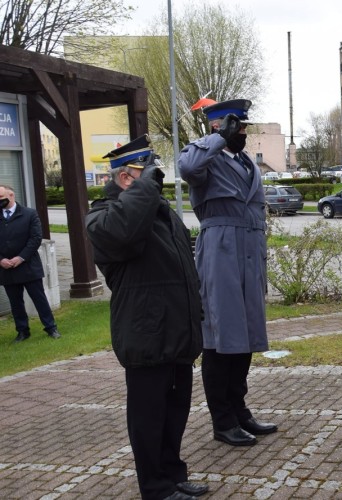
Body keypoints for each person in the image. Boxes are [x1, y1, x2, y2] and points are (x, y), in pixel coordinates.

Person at [85, 135, 208, 500]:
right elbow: (120, 233)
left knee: (174, 413)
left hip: (176, 330)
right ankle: (155, 487)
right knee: (149, 417)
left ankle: (173, 474)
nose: (157, 179)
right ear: (126, 179)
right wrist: (142, 191)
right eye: (148, 172)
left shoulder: (156, 211)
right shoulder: (102, 214)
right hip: (145, 333)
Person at [178, 99, 278, 447]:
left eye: (245, 128)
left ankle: (240, 411)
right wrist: (217, 138)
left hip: (249, 253)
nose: (244, 133)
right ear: (221, 126)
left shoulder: (246, 162)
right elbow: (187, 168)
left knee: (246, 336)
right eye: (239, 127)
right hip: (221, 251)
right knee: (220, 341)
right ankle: (222, 421)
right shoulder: (206, 156)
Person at [0, 184, 60, 342]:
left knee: (38, 298)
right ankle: (22, 331)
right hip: (7, 268)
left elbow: (35, 239)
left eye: (1, 198)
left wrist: (20, 258)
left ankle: (51, 327)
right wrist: (1, 260)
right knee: (15, 302)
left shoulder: (29, 214)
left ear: (11, 195)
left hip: (28, 265)